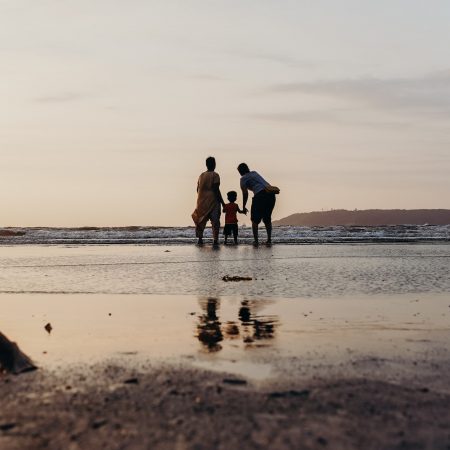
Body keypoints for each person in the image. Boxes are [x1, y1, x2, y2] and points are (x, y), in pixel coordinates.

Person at [237, 163, 279, 246]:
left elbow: (245, 194)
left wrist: (243, 206)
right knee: (267, 218)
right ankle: (269, 239)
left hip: (260, 195)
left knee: (255, 220)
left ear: (240, 172)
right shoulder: (254, 173)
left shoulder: (243, 179)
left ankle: (256, 241)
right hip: (271, 194)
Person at [192, 156, 225, 246]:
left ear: (206, 165)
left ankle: (200, 239)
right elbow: (216, 190)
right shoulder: (215, 175)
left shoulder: (201, 175)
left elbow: (197, 189)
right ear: (214, 164)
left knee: (200, 221)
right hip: (213, 201)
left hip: (201, 201)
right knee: (215, 221)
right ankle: (215, 240)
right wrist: (223, 203)